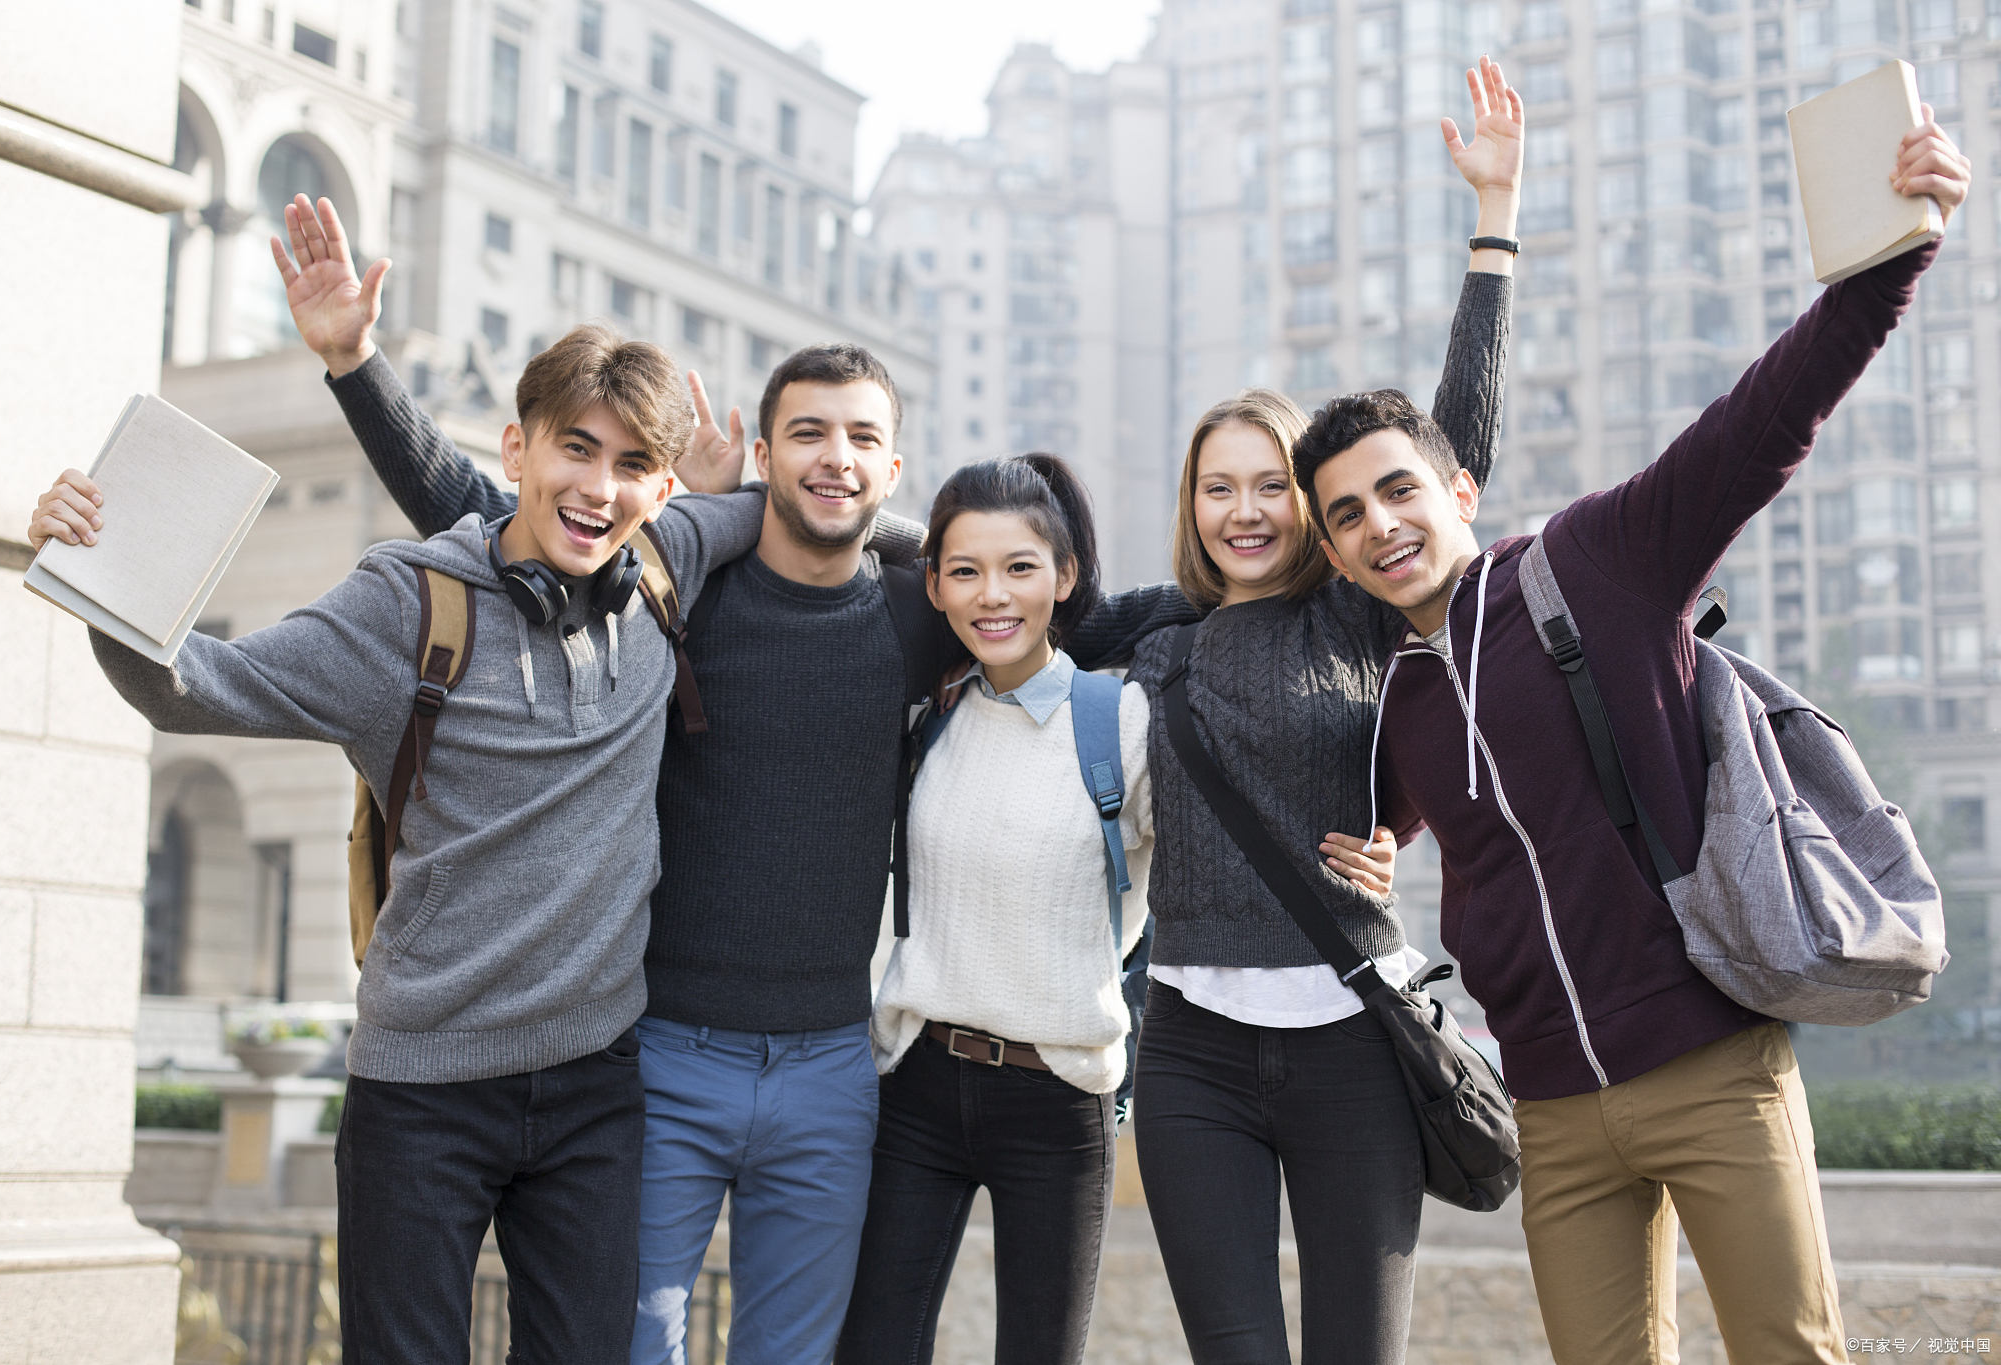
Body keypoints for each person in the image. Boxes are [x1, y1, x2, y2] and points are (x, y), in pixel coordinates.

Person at [263, 196, 1198, 1363]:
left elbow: (1093, 611)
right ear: (760, 454)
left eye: (860, 439)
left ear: (891, 464)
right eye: (806, 434)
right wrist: (355, 365)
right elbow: (488, 512)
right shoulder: (669, 585)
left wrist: (1269, 581)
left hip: (828, 1068)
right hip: (656, 1057)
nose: (834, 458)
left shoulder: (924, 616)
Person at [1295, 110, 1970, 1365]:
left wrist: (1898, 247)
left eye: (1398, 490)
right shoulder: (1399, 699)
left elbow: (1767, 417)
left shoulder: (1592, 564)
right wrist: (1376, 852)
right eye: (1345, 516)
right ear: (1330, 552)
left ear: (1456, 490)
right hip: (1549, 1107)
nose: (1379, 525)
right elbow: (1367, 826)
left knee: (1790, 1351)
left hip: (1709, 1067)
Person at [26, 329, 767, 1364]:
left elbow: (820, 511)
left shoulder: (661, 567)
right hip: (421, 1093)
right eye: (577, 450)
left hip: (595, 1086)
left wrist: (1027, 583)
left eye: (634, 464)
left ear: (664, 486)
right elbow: (191, 684)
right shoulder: (407, 605)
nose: (600, 488)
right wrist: (100, 566)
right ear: (516, 452)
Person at [1120, 56, 1520, 1365]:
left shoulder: (1359, 610)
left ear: (1313, 509)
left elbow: (1449, 446)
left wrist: (1494, 228)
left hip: (1355, 1036)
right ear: (1191, 506)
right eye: (1214, 487)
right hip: (1188, 1054)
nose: (1242, 509)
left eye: (1269, 486)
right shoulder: (1158, 635)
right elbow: (996, 571)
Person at [834, 452, 1399, 1364]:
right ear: (933, 583)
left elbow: (1245, 829)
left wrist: (1377, 837)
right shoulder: (927, 708)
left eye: (1021, 568)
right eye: (966, 571)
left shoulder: (1125, 721)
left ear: (1065, 579)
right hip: (916, 1083)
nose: (993, 596)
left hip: (1061, 1099)